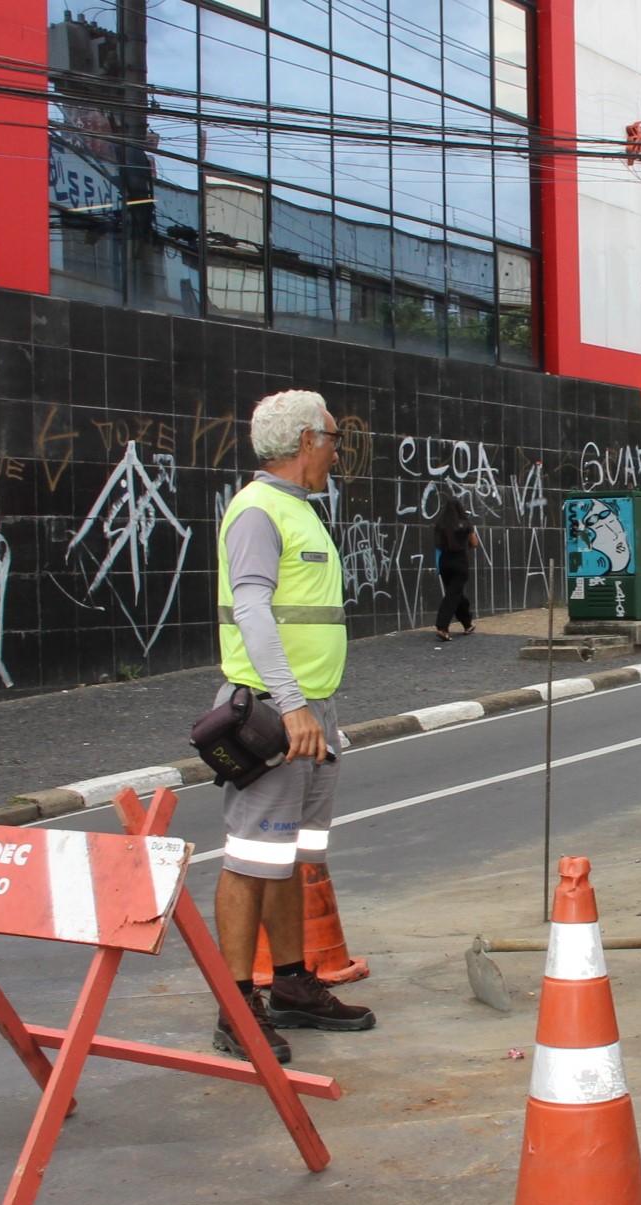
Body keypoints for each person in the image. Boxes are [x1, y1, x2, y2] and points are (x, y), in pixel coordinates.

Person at [212, 390, 376, 1062]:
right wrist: (291, 704)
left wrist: (315, 710)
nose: (338, 451)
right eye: (333, 438)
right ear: (307, 440)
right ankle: (235, 1009)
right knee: (251, 857)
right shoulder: (258, 510)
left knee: (289, 856)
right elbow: (252, 611)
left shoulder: (298, 508)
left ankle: (289, 985)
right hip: (275, 712)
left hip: (311, 710)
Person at [430, 491, 479, 642]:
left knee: (456, 594)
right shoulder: (465, 524)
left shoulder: (440, 524)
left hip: (444, 562)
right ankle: (442, 627)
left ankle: (467, 623)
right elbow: (475, 543)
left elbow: (437, 544)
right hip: (460, 562)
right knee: (453, 595)